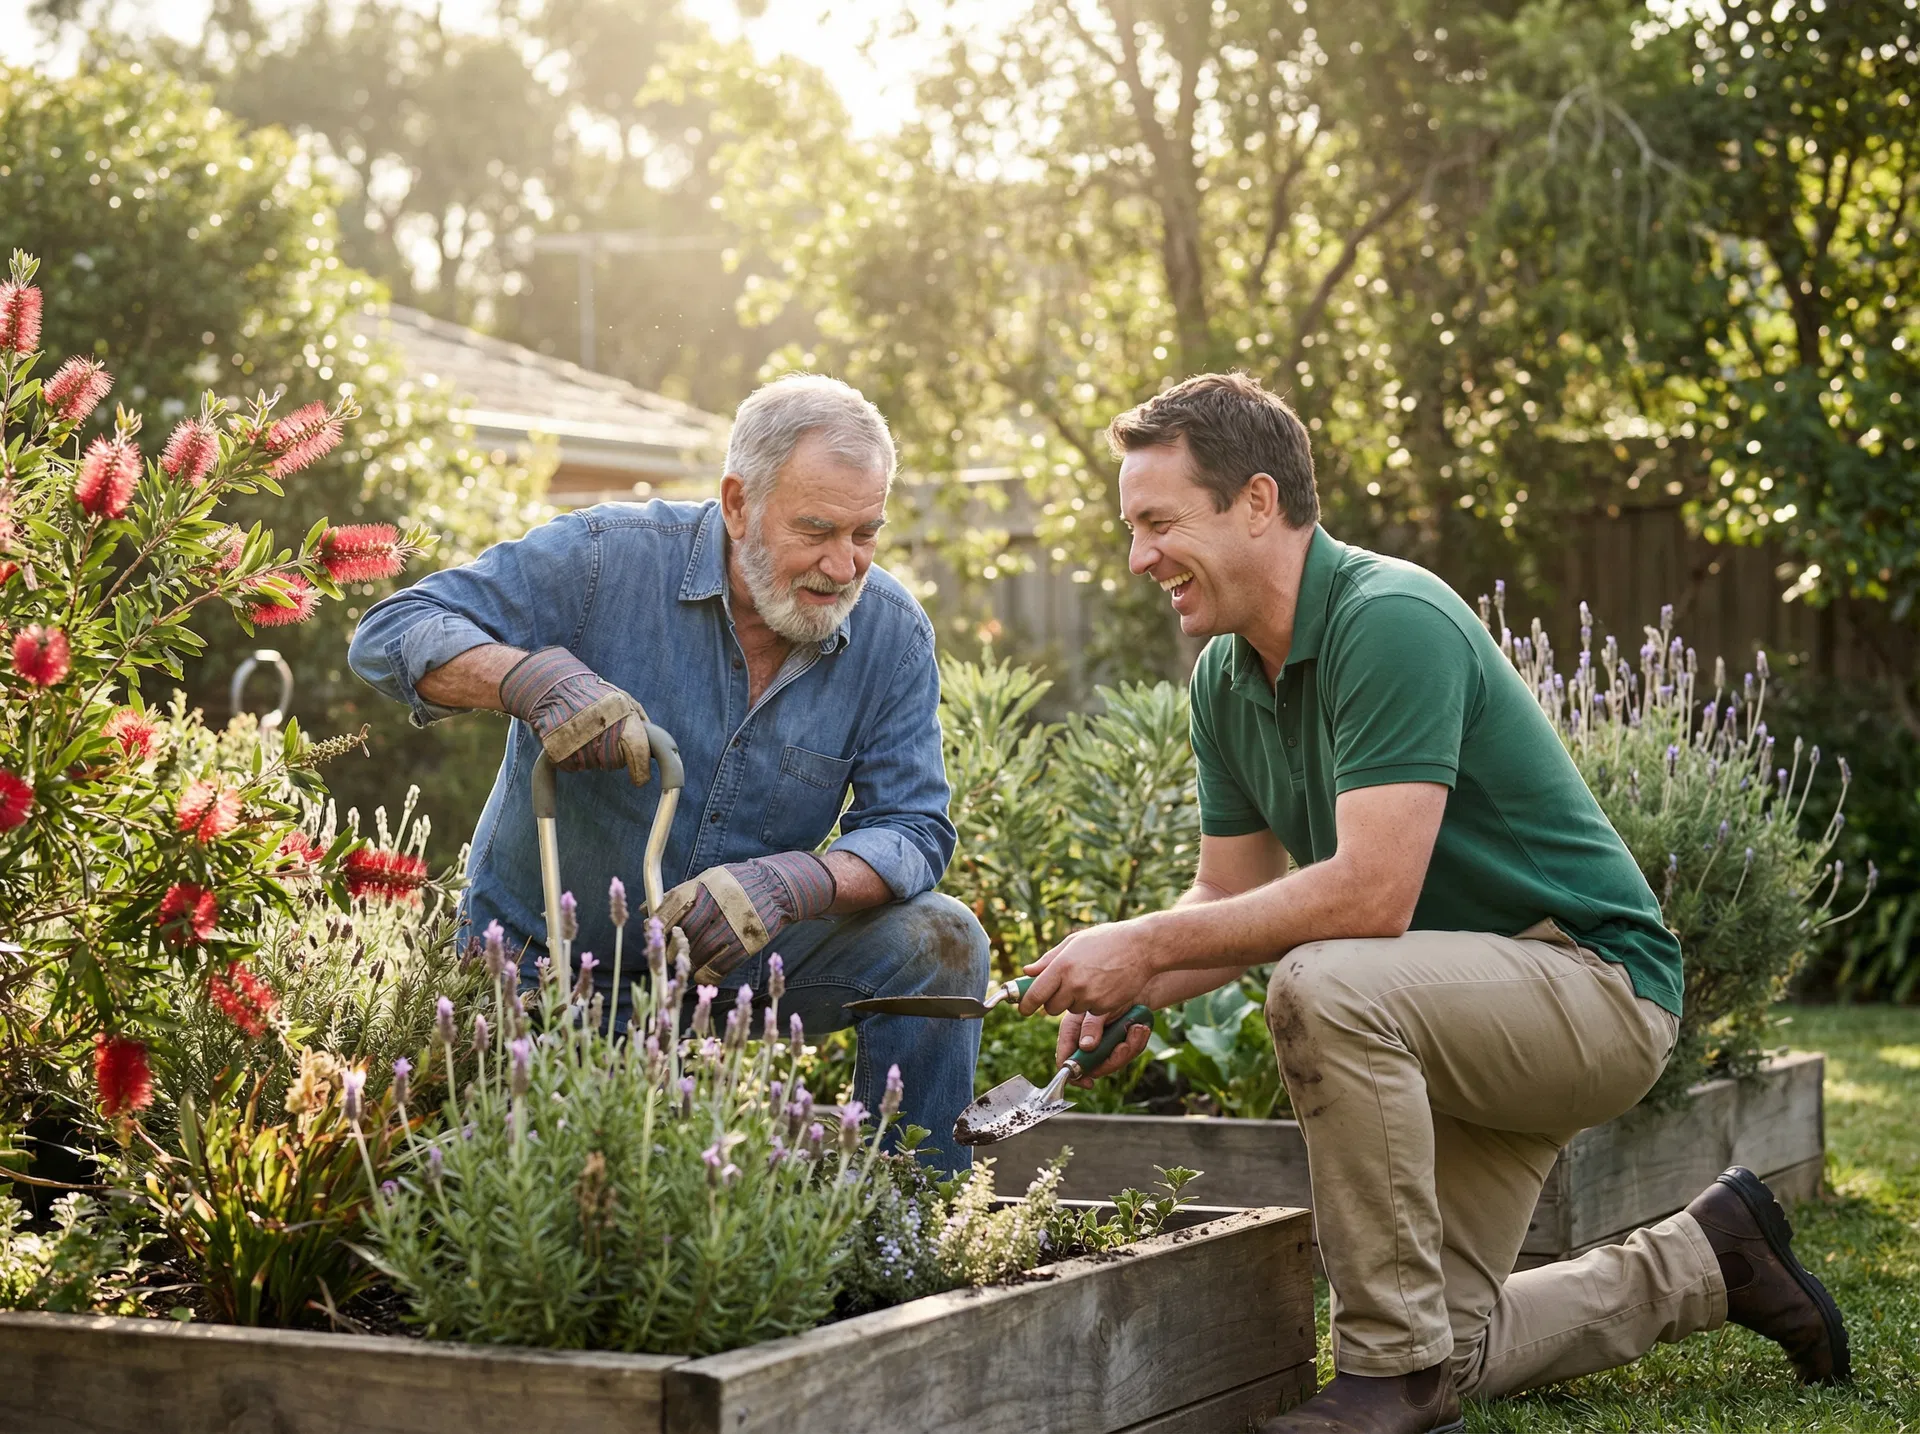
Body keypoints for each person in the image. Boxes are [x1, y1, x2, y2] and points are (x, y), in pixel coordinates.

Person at [1020, 373, 1849, 1431]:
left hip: (1591, 988)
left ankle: (1389, 1385)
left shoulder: (1388, 619)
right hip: (1450, 1016)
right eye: (1132, 529)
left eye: (1158, 523)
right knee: (1449, 1343)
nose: (1139, 559)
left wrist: (1141, 942)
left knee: (1322, 986)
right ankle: (1711, 1259)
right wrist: (1142, 986)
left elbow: (1372, 888)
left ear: (1258, 503)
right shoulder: (1227, 679)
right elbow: (1225, 897)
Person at [349, 374, 989, 1171]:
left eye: (867, 533)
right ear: (736, 503)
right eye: (817, 529)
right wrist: (531, 680)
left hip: (728, 971)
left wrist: (792, 883)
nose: (843, 564)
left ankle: (911, 1227)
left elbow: (914, 826)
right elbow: (389, 632)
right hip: (539, 974)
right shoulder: (602, 560)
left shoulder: (891, 633)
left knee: (943, 940)